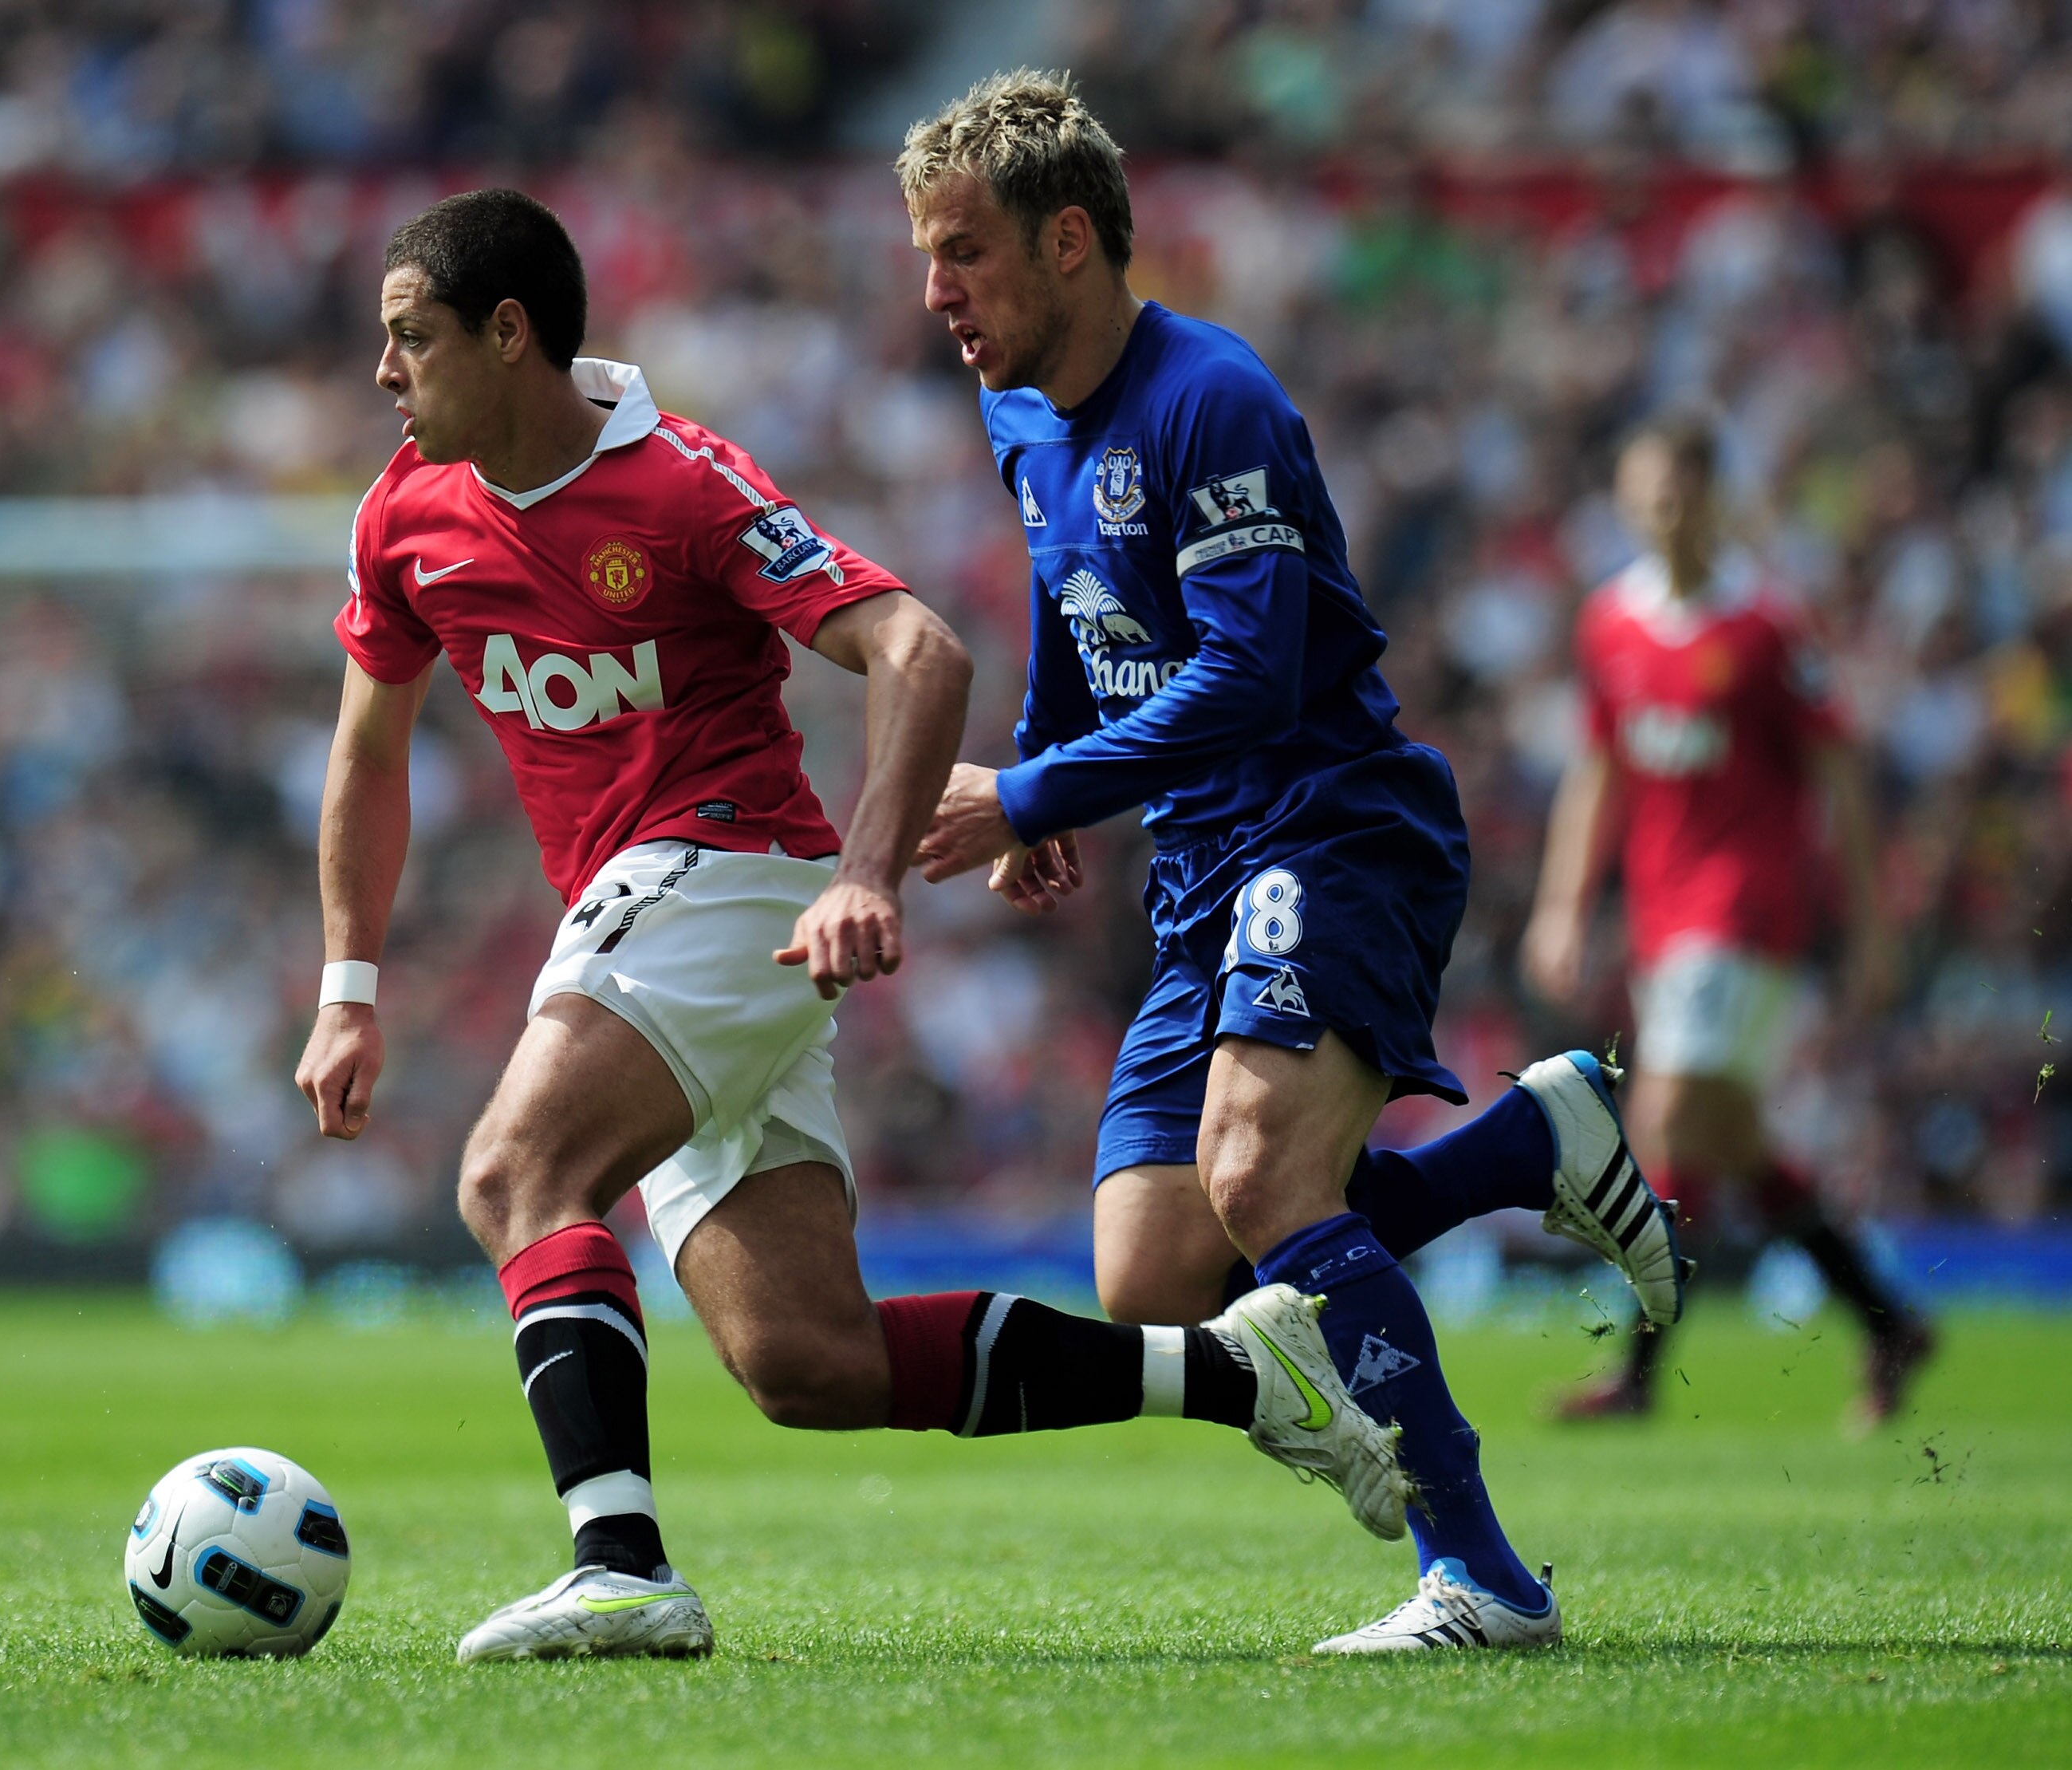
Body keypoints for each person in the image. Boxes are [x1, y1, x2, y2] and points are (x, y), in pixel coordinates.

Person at [293, 188, 1413, 1666]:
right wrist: (347, 983)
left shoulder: (682, 485)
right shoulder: (406, 512)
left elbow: (915, 643)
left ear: (508, 335)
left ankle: (618, 1562)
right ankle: (1245, 1375)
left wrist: (868, 871)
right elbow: (371, 752)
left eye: (409, 340)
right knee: (809, 1359)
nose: (384, 375)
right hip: (640, 917)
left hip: (731, 872)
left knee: (516, 1170)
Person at [900, 71, 1684, 1655]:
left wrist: (1035, 782)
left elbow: (1254, 679)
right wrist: (1052, 786)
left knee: (1264, 1180)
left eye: (961, 253)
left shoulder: (1214, 401)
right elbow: (1078, 603)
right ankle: (1527, 1144)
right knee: (1156, 1269)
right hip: (1200, 861)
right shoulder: (1022, 417)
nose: (936, 295)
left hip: (1329, 816)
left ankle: (1481, 1571)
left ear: (1069, 241)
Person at [1522, 414, 1935, 1425]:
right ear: (1625, 499)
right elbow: (1601, 771)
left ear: (1713, 497)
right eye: (1646, 494)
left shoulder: (1766, 626)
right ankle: (1890, 1322)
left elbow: (1839, 775)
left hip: (1749, 908)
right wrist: (1562, 904)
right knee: (1732, 1140)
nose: (1663, 512)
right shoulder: (1612, 622)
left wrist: (1873, 926)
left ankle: (1640, 1375)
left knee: (1666, 1118)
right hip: (1666, 916)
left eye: (1680, 493)